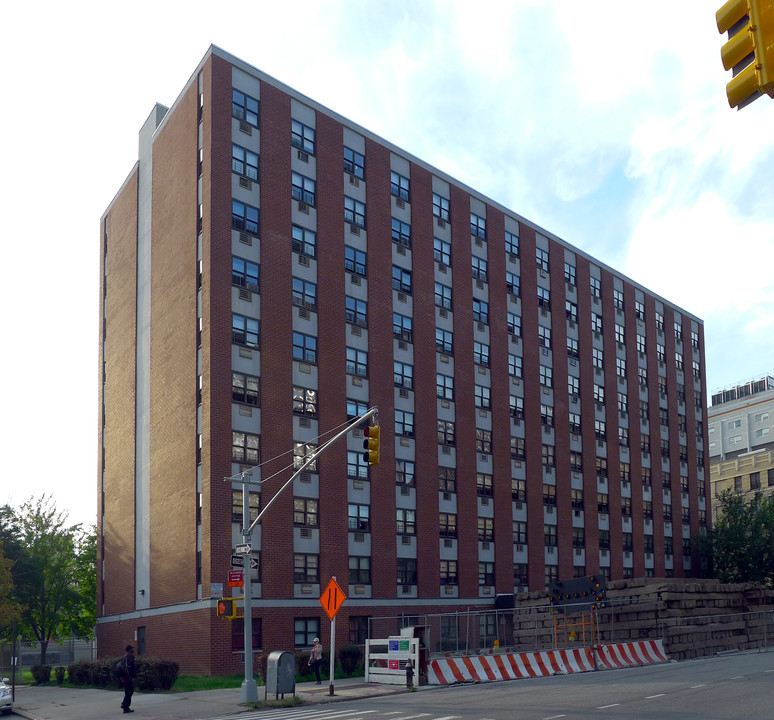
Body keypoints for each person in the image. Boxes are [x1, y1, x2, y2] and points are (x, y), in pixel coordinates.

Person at [118, 645, 137, 713]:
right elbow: (131, 667)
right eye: (132, 649)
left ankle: (124, 704)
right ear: (129, 650)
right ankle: (125, 707)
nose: (133, 650)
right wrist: (133, 676)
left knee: (128, 691)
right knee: (129, 691)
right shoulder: (130, 657)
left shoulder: (124, 657)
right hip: (128, 677)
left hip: (124, 677)